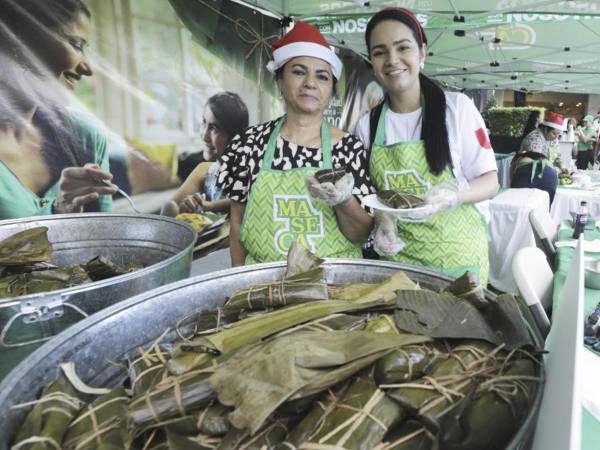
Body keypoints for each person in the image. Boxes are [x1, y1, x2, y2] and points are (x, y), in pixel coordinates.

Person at [354, 8, 498, 285]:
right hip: (398, 263)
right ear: (371, 61)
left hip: (457, 262)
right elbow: (371, 194)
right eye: (380, 52)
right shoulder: (367, 125)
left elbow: (490, 182)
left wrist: (453, 197)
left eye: (402, 48)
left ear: (422, 52)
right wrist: (382, 223)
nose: (392, 60)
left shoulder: (457, 109)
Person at [218, 21, 374, 266]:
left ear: (332, 89)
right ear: (280, 81)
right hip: (263, 285)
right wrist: (240, 282)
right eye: (299, 71)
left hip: (333, 290)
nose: (310, 82)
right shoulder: (249, 144)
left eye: (322, 76)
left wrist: (344, 201)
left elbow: (361, 234)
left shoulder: (349, 149)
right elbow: (237, 221)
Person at [0, 0, 117, 220]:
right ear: (21, 41)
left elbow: (106, 237)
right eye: (76, 45)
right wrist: (56, 212)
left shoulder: (87, 136)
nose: (88, 69)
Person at [161, 92, 249, 216]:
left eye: (214, 129)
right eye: (204, 123)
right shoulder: (204, 170)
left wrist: (211, 206)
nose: (204, 136)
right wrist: (181, 207)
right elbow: (170, 207)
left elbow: (246, 201)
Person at [510, 111, 564, 204]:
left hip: (545, 175)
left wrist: (562, 167)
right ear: (546, 129)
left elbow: (557, 155)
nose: (556, 138)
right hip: (530, 178)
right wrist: (555, 171)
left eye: (558, 135)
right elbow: (536, 164)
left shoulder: (552, 139)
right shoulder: (534, 139)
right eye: (554, 134)